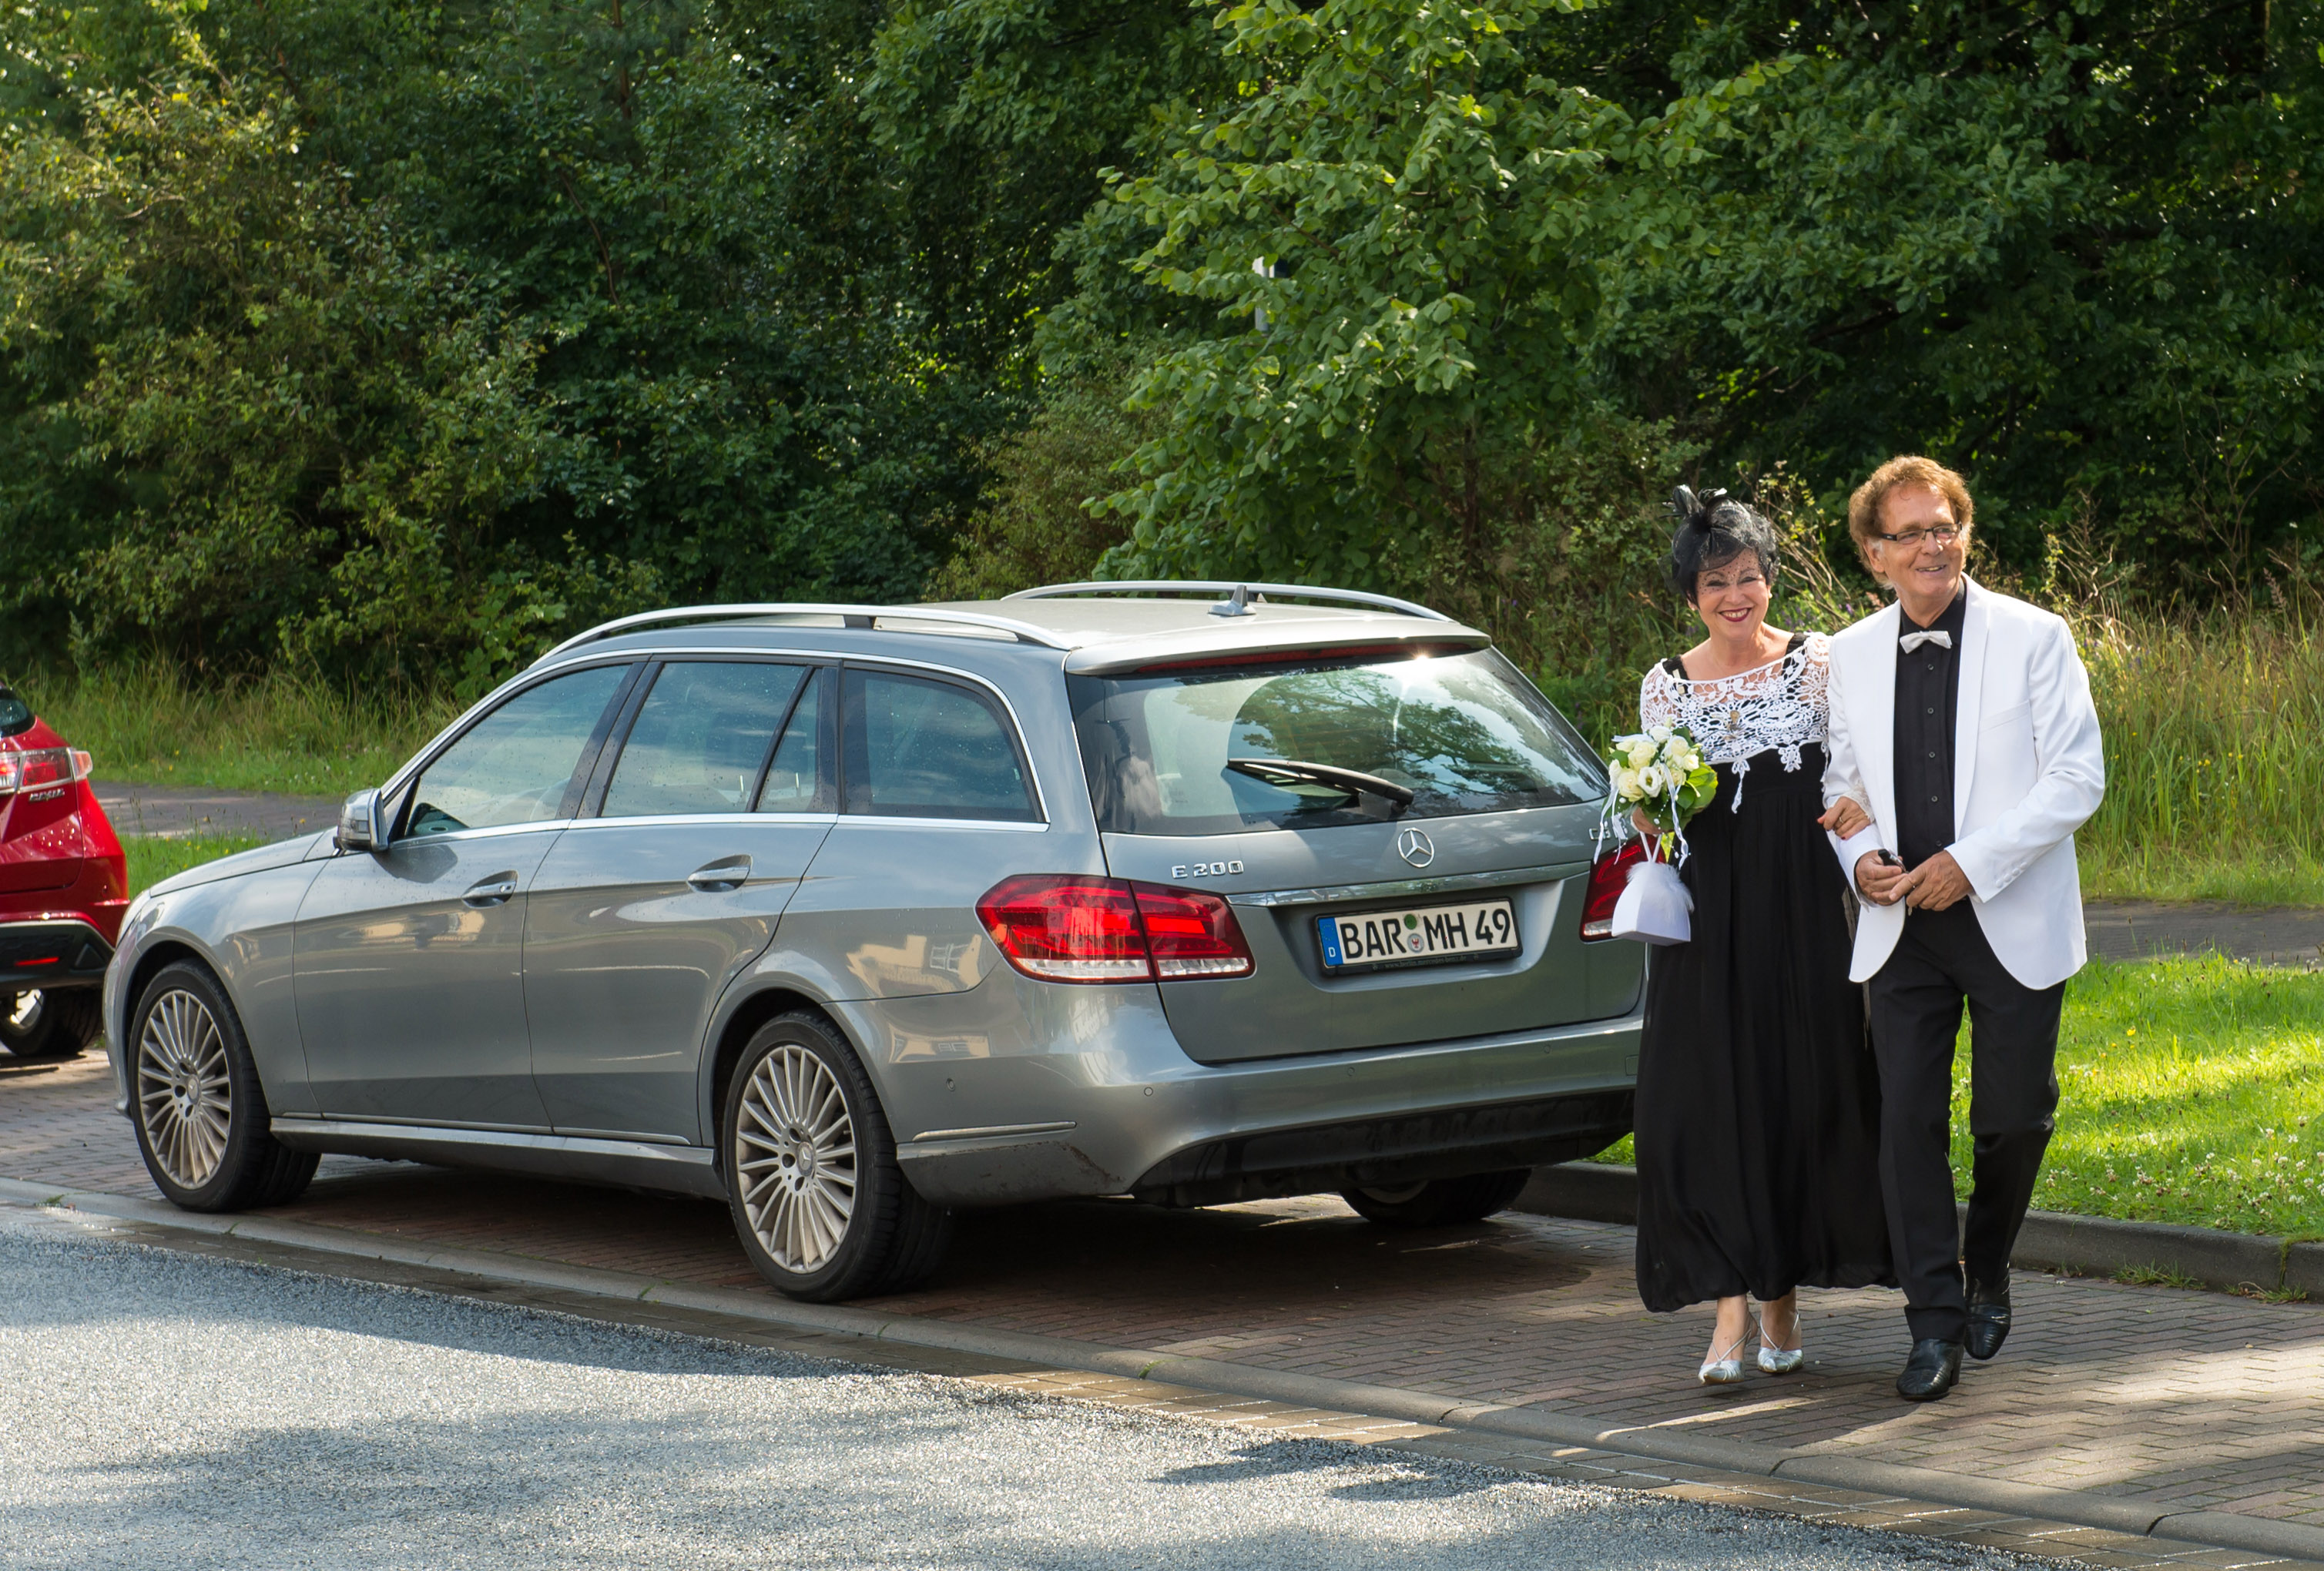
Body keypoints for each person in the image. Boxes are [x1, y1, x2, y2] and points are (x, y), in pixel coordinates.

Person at [1820, 456, 2105, 1402]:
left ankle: (1988, 1260)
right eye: (1908, 534)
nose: (1931, 546)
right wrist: (1855, 861)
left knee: (2011, 1121)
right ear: (1874, 556)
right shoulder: (1849, 654)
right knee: (1904, 1126)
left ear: (1964, 534)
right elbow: (1841, 786)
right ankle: (1931, 1323)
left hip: (2007, 915)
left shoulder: (2036, 636)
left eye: (1943, 527)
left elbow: (2076, 779)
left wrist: (1969, 865)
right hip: (1898, 925)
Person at [1631, 487, 1894, 1385]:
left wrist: (1868, 836)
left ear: (1769, 579)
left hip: (1799, 908)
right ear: (1690, 594)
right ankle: (1728, 1314)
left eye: (1748, 578)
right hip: (1709, 918)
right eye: (1715, 583)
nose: (1735, 597)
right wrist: (1643, 810)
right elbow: (1659, 818)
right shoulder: (1663, 684)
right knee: (1706, 1100)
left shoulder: (1816, 664)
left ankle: (1782, 1301)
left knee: (1801, 1088)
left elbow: (1858, 768)